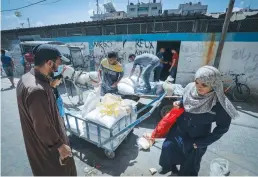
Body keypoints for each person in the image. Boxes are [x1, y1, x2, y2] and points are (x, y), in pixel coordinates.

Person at [147, 66, 238, 176]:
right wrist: (180, 103)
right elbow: (185, 98)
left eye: (204, 85)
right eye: (197, 82)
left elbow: (222, 128)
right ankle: (168, 167)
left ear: (214, 85)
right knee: (168, 148)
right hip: (179, 129)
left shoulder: (220, 104)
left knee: (190, 163)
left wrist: (202, 143)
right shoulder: (190, 88)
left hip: (198, 137)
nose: (199, 87)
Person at [16, 44, 76, 176]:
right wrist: (60, 145)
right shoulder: (37, 91)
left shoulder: (26, 78)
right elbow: (43, 126)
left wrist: (52, 84)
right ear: (49, 62)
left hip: (40, 145)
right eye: (59, 63)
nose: (59, 66)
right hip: (49, 152)